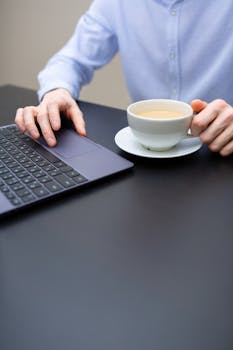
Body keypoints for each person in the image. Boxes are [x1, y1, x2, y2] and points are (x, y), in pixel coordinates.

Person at [15, 0, 233, 156]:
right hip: (140, 158)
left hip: (220, 152)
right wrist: (57, 92)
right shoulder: (116, 4)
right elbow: (70, 60)